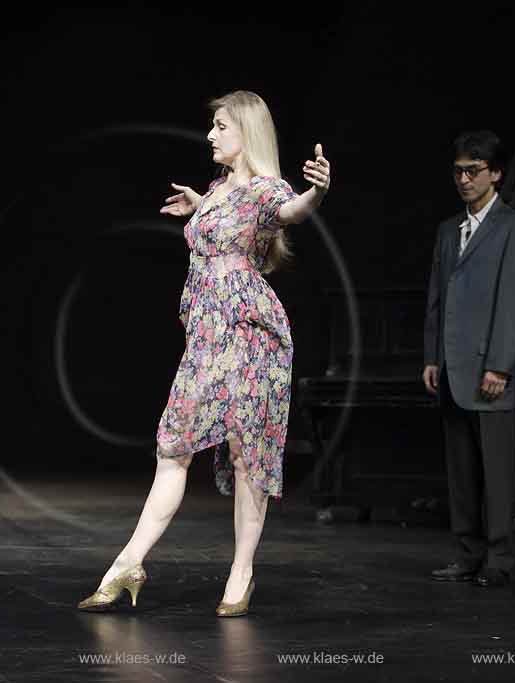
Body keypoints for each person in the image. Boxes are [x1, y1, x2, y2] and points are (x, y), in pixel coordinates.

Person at [78, 91, 331, 616]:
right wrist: (202, 207)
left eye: (220, 126)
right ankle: (128, 563)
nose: (211, 135)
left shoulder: (266, 188)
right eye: (212, 127)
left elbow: (291, 211)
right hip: (207, 340)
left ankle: (241, 574)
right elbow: (221, 228)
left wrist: (317, 192)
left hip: (251, 336)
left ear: (246, 132)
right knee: (173, 447)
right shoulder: (217, 190)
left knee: (248, 454)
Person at [422, 131, 515, 588]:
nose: (464, 179)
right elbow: (437, 298)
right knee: (462, 471)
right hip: (452, 368)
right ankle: (468, 554)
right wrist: (432, 356)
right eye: (458, 171)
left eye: (474, 171)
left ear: (495, 174)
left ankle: (498, 558)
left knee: (497, 471)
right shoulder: (448, 230)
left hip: (491, 370)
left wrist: (501, 366)